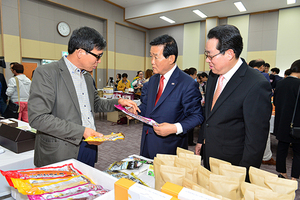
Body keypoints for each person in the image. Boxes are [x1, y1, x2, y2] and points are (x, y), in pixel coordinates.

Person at [28, 26, 139, 167]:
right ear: (80, 52)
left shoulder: (86, 77)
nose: (99, 61)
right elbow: (38, 118)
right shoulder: (47, 73)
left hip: (89, 147)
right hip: (60, 151)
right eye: (97, 56)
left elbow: (96, 103)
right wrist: (82, 132)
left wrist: (120, 102)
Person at [195, 25, 272, 179]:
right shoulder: (213, 75)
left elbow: (256, 140)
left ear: (229, 54)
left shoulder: (255, 83)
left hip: (233, 165)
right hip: (209, 155)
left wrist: (243, 176)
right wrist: (201, 140)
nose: (207, 60)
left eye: (210, 55)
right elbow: (209, 114)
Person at [136, 34, 204, 159]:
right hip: (147, 143)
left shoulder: (187, 83)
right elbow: (148, 108)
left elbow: (197, 116)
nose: (152, 61)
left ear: (171, 58)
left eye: (156, 57)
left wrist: (174, 128)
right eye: (151, 56)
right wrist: (134, 110)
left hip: (169, 147)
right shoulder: (153, 80)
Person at [274, 59, 300, 180]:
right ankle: (294, 177)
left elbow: (276, 102)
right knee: (298, 151)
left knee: (282, 148)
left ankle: (282, 173)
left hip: (281, 122)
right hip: (296, 123)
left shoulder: (280, 83)